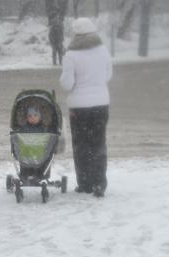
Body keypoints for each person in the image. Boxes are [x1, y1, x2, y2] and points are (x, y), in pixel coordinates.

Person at [59, 17, 113, 197]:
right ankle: (99, 184)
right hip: (101, 104)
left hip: (79, 107)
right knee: (98, 144)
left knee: (81, 146)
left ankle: (85, 183)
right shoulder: (103, 50)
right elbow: (108, 75)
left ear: (75, 34)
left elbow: (67, 84)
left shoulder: (71, 55)